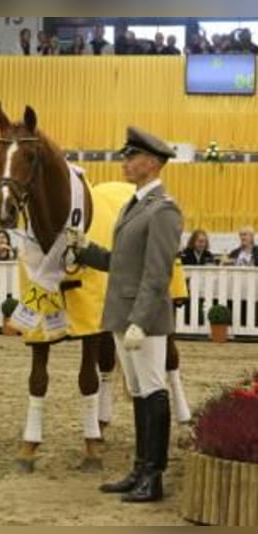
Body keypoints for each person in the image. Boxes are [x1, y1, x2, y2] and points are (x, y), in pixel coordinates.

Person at [71, 126, 182, 502]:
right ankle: (140, 467)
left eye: (130, 156)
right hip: (123, 315)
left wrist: (139, 320)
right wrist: (85, 249)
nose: (125, 162)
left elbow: (157, 272)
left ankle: (155, 474)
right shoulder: (134, 205)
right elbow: (121, 263)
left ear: (151, 163)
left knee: (153, 391)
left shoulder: (164, 210)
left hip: (143, 320)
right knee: (138, 393)